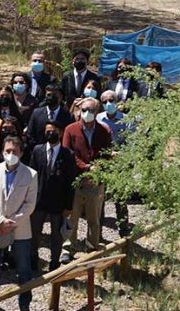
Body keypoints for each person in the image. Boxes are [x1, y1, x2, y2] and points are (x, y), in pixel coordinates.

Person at [0, 134, 37, 311]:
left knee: (24, 269)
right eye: (7, 151)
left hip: (20, 229)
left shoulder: (31, 174)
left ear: (21, 153)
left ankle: (24, 305)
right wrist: (0, 221)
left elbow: (30, 204)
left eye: (14, 151)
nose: (10, 154)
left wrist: (12, 222)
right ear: (2, 152)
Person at [61, 97, 112, 263]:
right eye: (84, 110)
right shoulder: (70, 129)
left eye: (90, 110)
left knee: (94, 218)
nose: (87, 113)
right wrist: (86, 168)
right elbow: (68, 154)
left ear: (96, 112)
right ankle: (68, 248)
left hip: (95, 182)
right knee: (72, 218)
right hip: (75, 181)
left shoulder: (104, 131)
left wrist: (96, 175)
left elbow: (106, 155)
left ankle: (92, 247)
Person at [29, 122, 75, 272]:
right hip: (39, 200)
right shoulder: (37, 150)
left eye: (53, 131)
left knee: (56, 235)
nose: (50, 134)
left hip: (58, 202)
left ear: (60, 133)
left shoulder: (68, 154)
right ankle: (33, 260)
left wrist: (68, 206)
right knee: (34, 233)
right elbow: (31, 175)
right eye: (47, 131)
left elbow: (70, 181)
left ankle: (54, 262)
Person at [97, 92, 133, 236]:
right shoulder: (98, 118)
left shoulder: (126, 120)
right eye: (104, 102)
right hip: (103, 161)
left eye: (111, 100)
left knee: (121, 196)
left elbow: (131, 141)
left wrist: (121, 155)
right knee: (100, 196)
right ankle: (97, 229)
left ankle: (124, 227)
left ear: (117, 102)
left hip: (120, 162)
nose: (108, 104)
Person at [25, 84, 72, 157]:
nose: (51, 97)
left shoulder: (67, 115)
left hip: (59, 154)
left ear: (60, 97)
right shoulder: (36, 113)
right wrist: (38, 150)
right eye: (49, 95)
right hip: (39, 153)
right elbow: (30, 134)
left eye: (54, 95)